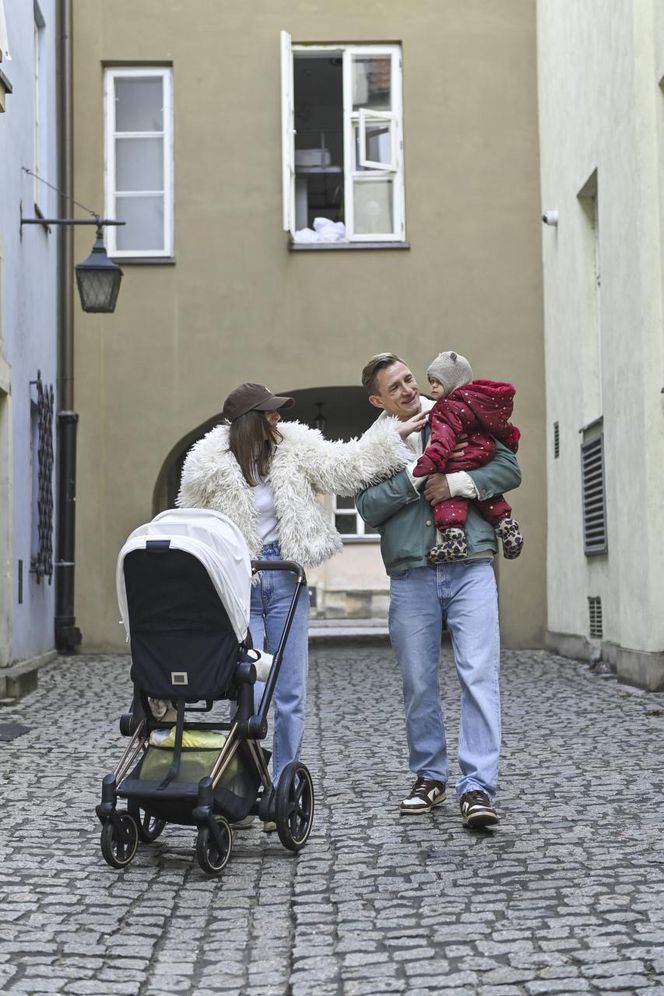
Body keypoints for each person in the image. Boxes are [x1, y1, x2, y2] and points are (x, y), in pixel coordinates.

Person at [177, 382, 420, 811]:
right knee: (246, 688)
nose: (278, 418)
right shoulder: (206, 463)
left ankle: (281, 782)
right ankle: (239, 779)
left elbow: (348, 465)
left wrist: (391, 436)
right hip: (239, 583)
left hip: (286, 578)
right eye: (270, 413)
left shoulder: (295, 446)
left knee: (289, 691)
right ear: (251, 421)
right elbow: (189, 522)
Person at [355, 354, 521, 829]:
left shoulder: (458, 408)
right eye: (396, 387)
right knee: (419, 682)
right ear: (378, 400)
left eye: (409, 380)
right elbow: (367, 507)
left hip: (470, 565)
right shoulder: (375, 444)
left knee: (478, 674)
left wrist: (456, 482)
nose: (408, 390)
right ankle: (429, 776)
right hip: (411, 574)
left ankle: (477, 787)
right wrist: (417, 480)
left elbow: (508, 469)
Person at [412, 350, 523, 564]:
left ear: (453, 381)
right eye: (431, 381)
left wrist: (429, 460)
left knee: (449, 500)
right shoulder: (474, 402)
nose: (432, 386)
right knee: (488, 497)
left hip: (458, 461)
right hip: (481, 455)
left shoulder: (444, 408)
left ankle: (455, 540)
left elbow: (443, 439)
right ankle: (506, 525)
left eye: (438, 381)